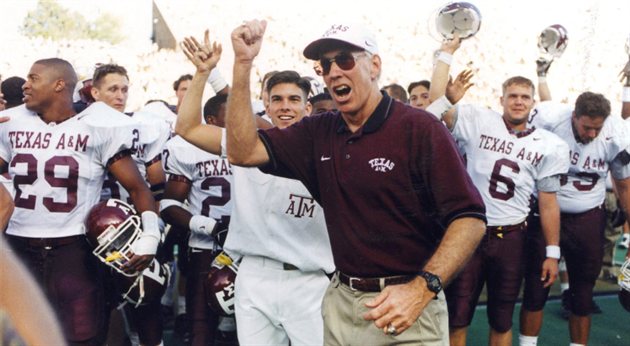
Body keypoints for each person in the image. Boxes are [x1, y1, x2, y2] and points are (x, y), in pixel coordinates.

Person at [220, 20, 486, 345]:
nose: (333, 72)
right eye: (325, 65)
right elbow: (242, 151)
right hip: (341, 301)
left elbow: (470, 219)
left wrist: (423, 287)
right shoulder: (319, 131)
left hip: (407, 303)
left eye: (345, 59)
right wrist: (243, 64)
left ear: (374, 66)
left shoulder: (420, 128)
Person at [175, 30, 334, 345]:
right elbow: (187, 127)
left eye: (293, 99)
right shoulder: (245, 144)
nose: (285, 106)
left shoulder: (327, 150)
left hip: (310, 279)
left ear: (308, 108)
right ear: (267, 105)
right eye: (277, 99)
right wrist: (202, 73)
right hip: (253, 274)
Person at [0, 58, 160, 345]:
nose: (25, 85)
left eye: (33, 78)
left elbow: (138, 188)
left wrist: (150, 233)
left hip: (73, 251)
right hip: (19, 247)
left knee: (83, 337)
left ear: (59, 84)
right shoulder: (10, 122)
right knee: (17, 337)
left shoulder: (98, 125)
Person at [428, 35, 569, 346]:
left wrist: (552, 252)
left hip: (512, 237)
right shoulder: (478, 121)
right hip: (470, 234)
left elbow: (548, 204)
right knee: (457, 315)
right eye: (512, 96)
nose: (518, 101)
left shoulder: (549, 145)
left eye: (524, 97)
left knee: (502, 317)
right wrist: (447, 55)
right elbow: (435, 104)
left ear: (533, 103)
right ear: (501, 99)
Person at [520, 91, 630, 345]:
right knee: (536, 291)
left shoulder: (616, 135)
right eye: (587, 127)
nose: (592, 134)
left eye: (597, 129)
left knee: (583, 296)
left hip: (588, 218)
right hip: (546, 214)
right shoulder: (549, 120)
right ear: (574, 116)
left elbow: (623, 185)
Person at [89, 62, 171, 346]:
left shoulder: (143, 125)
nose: (120, 95)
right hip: (93, 227)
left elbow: (156, 183)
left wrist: (155, 225)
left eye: (124, 89)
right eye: (113, 89)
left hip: (134, 223)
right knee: (100, 303)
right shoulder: (80, 124)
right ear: (94, 92)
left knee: (145, 298)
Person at [161, 93, 237, 346]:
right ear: (211, 120)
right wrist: (210, 227)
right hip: (206, 248)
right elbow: (169, 204)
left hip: (252, 248)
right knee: (200, 327)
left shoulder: (254, 144)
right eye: (231, 117)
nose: (239, 123)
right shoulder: (187, 148)